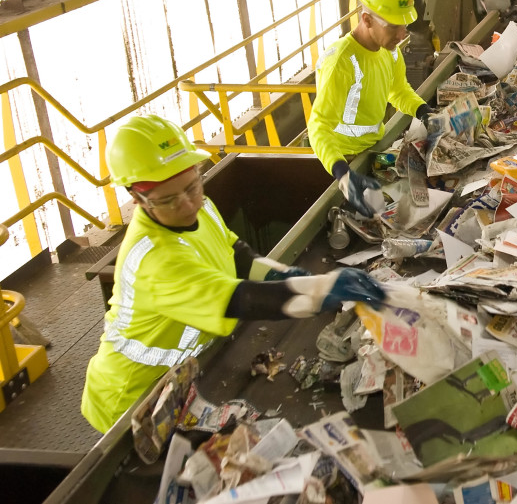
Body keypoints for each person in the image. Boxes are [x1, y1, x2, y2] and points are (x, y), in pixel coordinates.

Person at [81, 115, 387, 433]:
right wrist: (322, 289)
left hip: (185, 376)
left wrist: (285, 275)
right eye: (168, 199)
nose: (188, 205)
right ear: (138, 199)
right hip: (135, 399)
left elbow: (238, 254)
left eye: (192, 186)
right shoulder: (154, 259)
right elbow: (240, 300)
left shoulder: (202, 206)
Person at [307, 0, 432, 216]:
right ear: (366, 19)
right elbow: (318, 127)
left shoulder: (389, 51)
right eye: (394, 27)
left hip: (372, 153)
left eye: (405, 25)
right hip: (342, 164)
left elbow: (398, 91)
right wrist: (342, 175)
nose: (402, 34)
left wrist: (424, 111)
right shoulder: (341, 63)